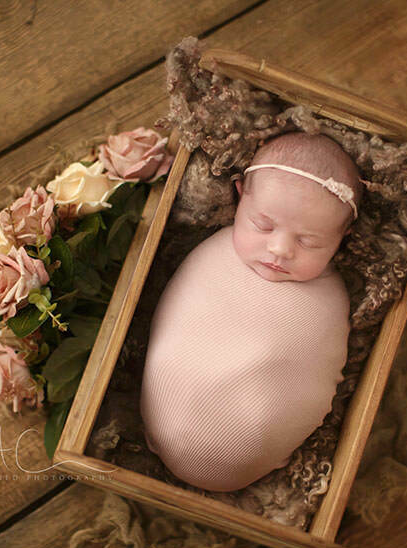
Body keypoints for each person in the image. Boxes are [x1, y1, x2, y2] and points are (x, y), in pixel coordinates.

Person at [139, 132, 362, 491]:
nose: (279, 249)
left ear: (343, 235)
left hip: (254, 450)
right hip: (164, 420)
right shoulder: (213, 253)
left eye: (309, 241)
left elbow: (316, 363)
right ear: (240, 194)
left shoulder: (331, 297)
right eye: (263, 225)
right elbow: (178, 324)